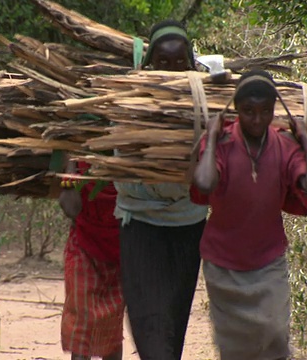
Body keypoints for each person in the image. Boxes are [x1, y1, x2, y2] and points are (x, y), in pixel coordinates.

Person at [192, 69, 307, 360]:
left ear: (274, 110)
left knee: (276, 337)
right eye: (248, 111)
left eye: (266, 111)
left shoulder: (284, 146)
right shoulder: (223, 142)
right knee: (235, 349)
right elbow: (204, 183)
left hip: (268, 262)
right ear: (237, 110)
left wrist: (305, 142)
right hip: (223, 264)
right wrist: (212, 138)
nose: (257, 119)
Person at [116, 20, 208, 360]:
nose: (171, 71)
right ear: (149, 64)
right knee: (147, 326)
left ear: (191, 64)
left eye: (179, 63)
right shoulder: (127, 101)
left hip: (188, 226)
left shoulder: (205, 104)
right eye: (163, 63)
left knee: (172, 324)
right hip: (140, 226)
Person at [58, 159, 124, 360]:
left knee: (112, 332)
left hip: (121, 251)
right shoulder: (81, 162)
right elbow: (71, 208)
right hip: (84, 245)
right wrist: (70, 166)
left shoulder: (128, 163)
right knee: (81, 327)